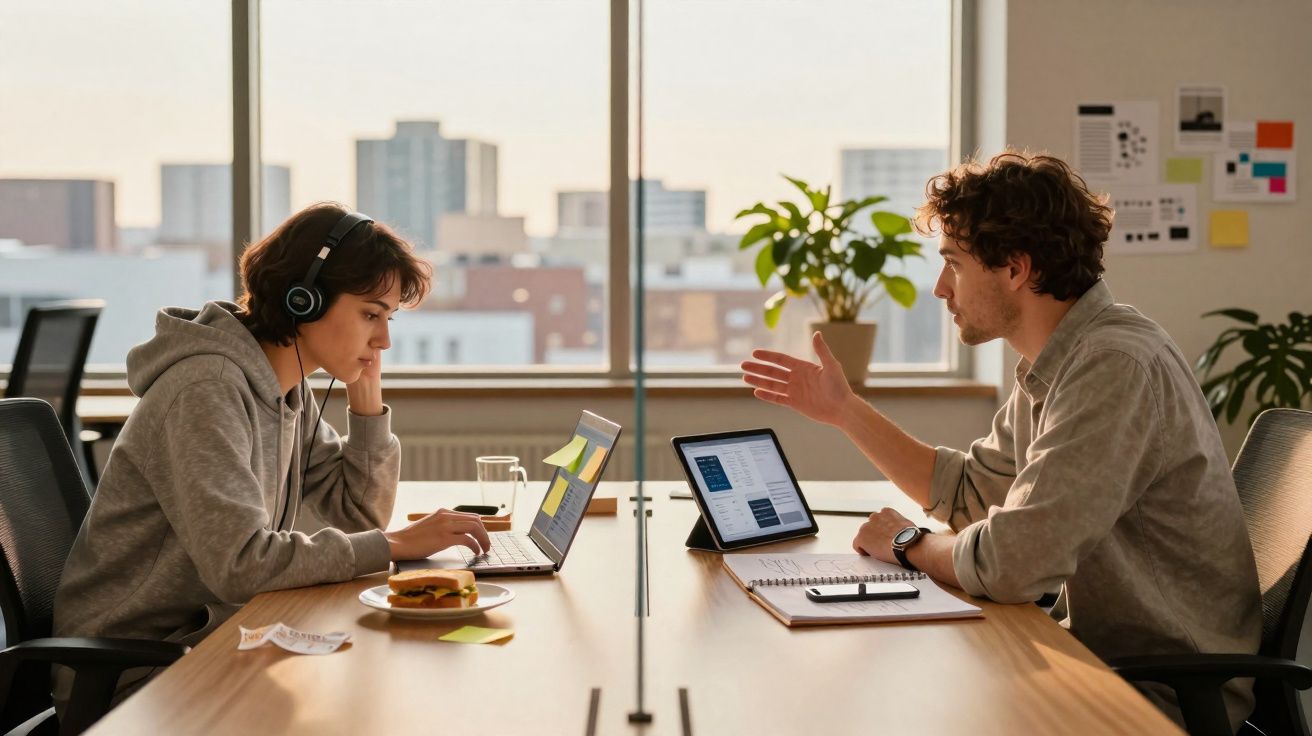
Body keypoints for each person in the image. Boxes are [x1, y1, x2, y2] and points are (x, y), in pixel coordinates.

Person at [741, 151, 1262, 729]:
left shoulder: (1113, 366)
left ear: (1015, 269)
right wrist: (845, 411)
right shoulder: (1062, 360)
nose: (940, 288)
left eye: (954, 264)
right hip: (1096, 662)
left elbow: (1012, 564)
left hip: (1157, 698)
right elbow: (971, 495)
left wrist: (908, 543)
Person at [53, 202, 491, 704]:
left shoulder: (285, 389)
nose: (384, 340)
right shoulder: (206, 390)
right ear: (302, 300)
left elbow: (356, 515)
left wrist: (367, 407)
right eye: (371, 314)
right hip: (133, 672)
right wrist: (394, 545)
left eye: (387, 318)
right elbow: (240, 565)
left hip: (214, 638)